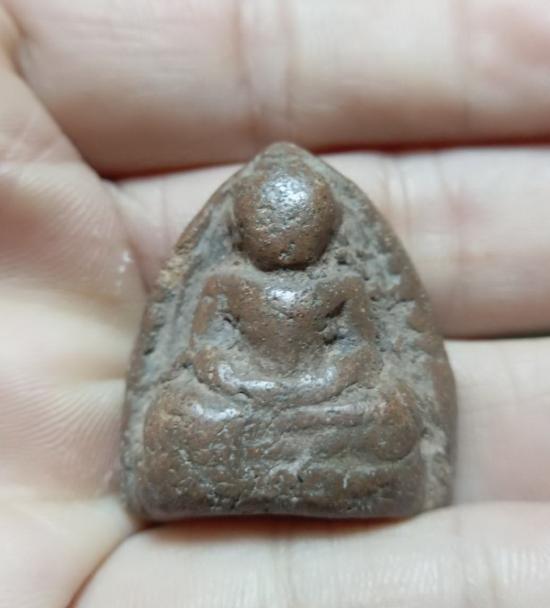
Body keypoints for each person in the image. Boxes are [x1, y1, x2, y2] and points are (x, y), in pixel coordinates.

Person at [1, 1, 549, 606]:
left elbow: (362, 351)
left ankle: (354, 477)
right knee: (180, 411)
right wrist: (241, 382)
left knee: (388, 408)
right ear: (242, 227)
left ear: (325, 224)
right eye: (269, 224)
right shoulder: (224, 281)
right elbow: (202, 351)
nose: (285, 237)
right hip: (241, 394)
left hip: (323, 395)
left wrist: (324, 381)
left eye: (300, 225)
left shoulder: (341, 284)